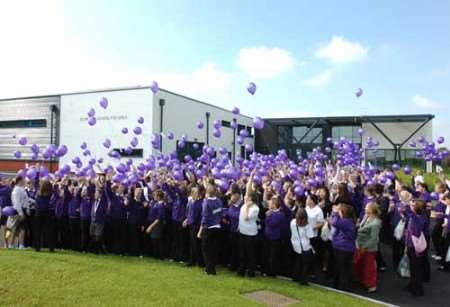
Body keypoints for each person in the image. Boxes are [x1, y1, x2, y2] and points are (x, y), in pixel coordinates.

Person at [353, 202, 381, 293]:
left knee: (369, 267)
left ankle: (371, 285)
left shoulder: (376, 224)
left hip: (369, 248)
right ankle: (363, 281)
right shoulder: (366, 217)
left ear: (372, 210)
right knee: (360, 264)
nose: (365, 209)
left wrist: (364, 247)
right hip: (360, 245)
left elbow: (374, 239)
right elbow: (360, 227)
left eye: (366, 208)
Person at [405, 199, 429, 296]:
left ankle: (418, 289)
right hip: (413, 246)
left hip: (415, 247)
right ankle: (412, 285)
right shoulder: (422, 217)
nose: (412, 206)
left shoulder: (417, 218)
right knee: (413, 268)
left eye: (413, 205)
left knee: (416, 269)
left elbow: (406, 210)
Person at [331, 203, 356, 291]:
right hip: (344, 248)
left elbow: (334, 222)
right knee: (342, 269)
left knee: (343, 269)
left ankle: (343, 287)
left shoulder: (346, 221)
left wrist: (334, 212)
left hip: (343, 249)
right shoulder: (347, 221)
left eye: (339, 210)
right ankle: (340, 285)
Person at [198, 184, 223, 275]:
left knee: (206, 249)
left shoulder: (206, 202)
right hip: (217, 227)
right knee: (213, 250)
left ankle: (209, 269)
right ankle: (212, 269)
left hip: (208, 228)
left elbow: (205, 216)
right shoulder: (219, 201)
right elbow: (219, 211)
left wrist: (200, 230)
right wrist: (214, 213)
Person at [237, 190, 260, 277]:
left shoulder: (255, 208)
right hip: (242, 231)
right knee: (242, 253)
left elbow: (246, 217)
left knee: (250, 254)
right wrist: (251, 176)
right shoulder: (246, 204)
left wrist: (247, 206)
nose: (245, 197)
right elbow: (248, 187)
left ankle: (251, 271)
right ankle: (241, 270)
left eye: (247, 196)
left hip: (250, 234)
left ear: (251, 198)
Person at [290, 207, 314, 285]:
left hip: (295, 245)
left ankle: (295, 277)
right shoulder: (307, 225)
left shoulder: (292, 222)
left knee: (298, 262)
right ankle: (303, 280)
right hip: (305, 246)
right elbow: (310, 236)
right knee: (305, 265)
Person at [263, 195, 284, 277]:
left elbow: (270, 224)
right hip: (268, 237)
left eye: (270, 203)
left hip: (274, 238)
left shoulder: (279, 214)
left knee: (273, 257)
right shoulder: (272, 213)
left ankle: (272, 272)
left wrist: (267, 216)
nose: (269, 204)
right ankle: (266, 270)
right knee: (266, 255)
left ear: (274, 205)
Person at [305, 194, 324, 277]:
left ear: (312, 201)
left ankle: (311, 271)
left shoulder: (318, 210)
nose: (306, 200)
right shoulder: (306, 208)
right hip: (304, 233)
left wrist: (312, 227)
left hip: (313, 235)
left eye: (308, 199)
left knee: (312, 253)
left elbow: (321, 223)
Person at [7, 176, 29, 249]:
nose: (24, 181)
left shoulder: (21, 189)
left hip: (22, 210)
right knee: (15, 228)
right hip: (18, 210)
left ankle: (20, 245)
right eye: (23, 180)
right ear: (19, 181)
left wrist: (27, 210)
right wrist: (21, 213)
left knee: (21, 228)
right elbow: (17, 203)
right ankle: (12, 244)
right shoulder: (16, 190)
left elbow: (25, 201)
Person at [34, 180, 55, 252]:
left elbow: (36, 183)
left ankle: (37, 247)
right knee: (49, 231)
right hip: (47, 213)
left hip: (38, 213)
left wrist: (37, 172)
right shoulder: (50, 193)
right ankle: (51, 247)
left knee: (38, 231)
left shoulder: (38, 192)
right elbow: (54, 189)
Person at [146, 190, 166, 259]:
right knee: (154, 239)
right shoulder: (156, 203)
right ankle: (156, 255)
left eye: (155, 195)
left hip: (157, 224)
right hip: (154, 223)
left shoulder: (161, 205)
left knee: (157, 240)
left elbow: (159, 218)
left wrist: (151, 226)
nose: (153, 196)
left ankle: (160, 256)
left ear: (158, 197)